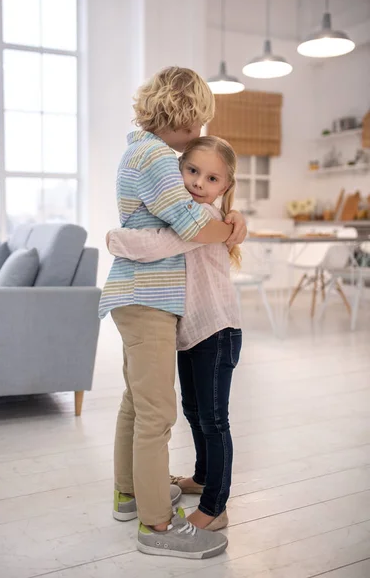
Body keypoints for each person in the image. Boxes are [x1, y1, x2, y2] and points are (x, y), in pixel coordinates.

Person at [99, 67, 246, 559]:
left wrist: (226, 218)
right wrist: (230, 230)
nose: (200, 132)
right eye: (198, 120)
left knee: (136, 404)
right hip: (149, 297)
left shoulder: (137, 149)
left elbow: (180, 221)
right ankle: (157, 526)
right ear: (184, 114)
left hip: (139, 296)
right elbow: (187, 225)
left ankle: (129, 494)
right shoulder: (159, 157)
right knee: (157, 414)